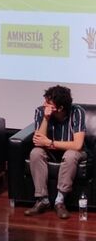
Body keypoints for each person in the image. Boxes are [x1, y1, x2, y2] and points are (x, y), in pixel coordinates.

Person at [24, 85, 86, 219]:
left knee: (70, 155)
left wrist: (50, 143)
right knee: (35, 153)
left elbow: (77, 145)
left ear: (60, 108)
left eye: (48, 103)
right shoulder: (41, 112)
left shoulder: (77, 112)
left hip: (73, 152)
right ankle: (42, 200)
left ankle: (60, 201)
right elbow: (38, 140)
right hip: (50, 151)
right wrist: (46, 119)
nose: (44, 104)